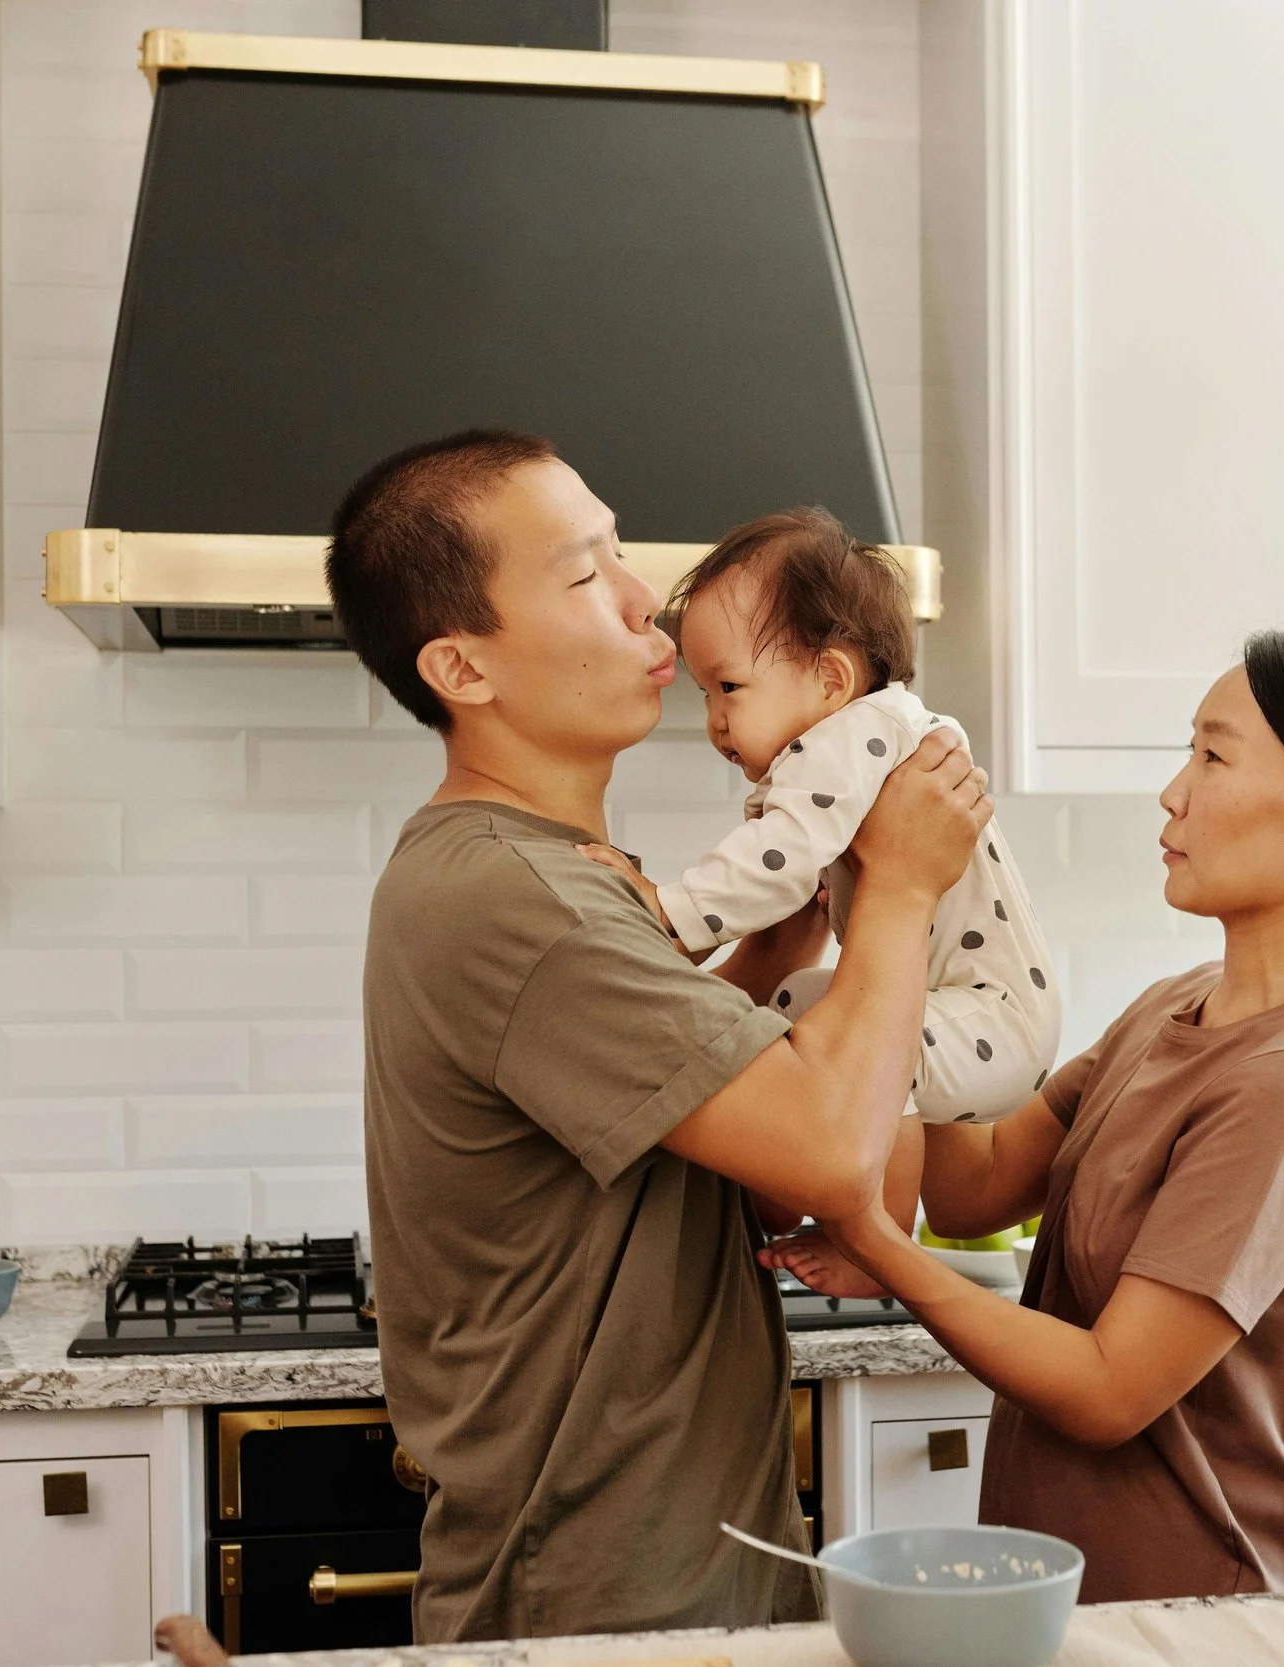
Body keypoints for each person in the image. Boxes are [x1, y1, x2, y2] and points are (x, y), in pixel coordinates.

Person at [321, 431, 990, 1643]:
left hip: (669, 1563)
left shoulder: (550, 875)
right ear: (462, 667)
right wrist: (897, 891)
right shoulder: (517, 896)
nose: (648, 603)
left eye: (620, 554)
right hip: (601, 1595)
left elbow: (684, 1149)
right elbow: (834, 1155)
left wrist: (774, 959)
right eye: (585, 576)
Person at [767, 627, 1284, 1601]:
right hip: (1090, 1599)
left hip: (1207, 1614)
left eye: (1213, 754)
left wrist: (872, 1239)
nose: (1173, 790)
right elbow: (979, 1181)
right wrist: (895, 933)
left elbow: (1107, 1386)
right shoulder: (1182, 1002)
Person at [584, 509, 1062, 1132]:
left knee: (869, 1062)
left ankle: (865, 1226)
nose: (715, 719)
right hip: (963, 1016)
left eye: (729, 686)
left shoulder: (859, 735)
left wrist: (668, 910)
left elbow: (782, 856)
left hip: (988, 1020)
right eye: (705, 694)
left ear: (831, 679)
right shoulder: (855, 749)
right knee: (800, 1013)